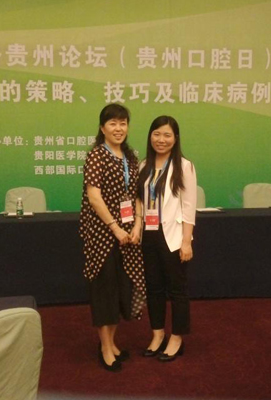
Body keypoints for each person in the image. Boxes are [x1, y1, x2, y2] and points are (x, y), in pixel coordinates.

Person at [79, 103, 146, 372]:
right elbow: (94, 197)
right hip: (103, 236)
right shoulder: (96, 155)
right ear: (102, 128)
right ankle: (105, 348)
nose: (119, 128)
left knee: (121, 291)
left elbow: (137, 194)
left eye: (123, 123)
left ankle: (113, 342)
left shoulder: (130, 156)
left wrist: (138, 224)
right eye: (113, 123)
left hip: (128, 235)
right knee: (105, 292)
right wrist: (115, 228)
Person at [136, 115, 197, 362]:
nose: (161, 140)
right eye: (157, 134)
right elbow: (140, 201)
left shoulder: (184, 166)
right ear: (150, 136)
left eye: (167, 135)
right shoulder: (144, 165)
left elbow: (189, 206)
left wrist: (186, 241)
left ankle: (177, 338)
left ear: (175, 138)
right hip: (148, 234)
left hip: (172, 236)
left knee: (177, 290)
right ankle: (157, 334)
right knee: (154, 288)